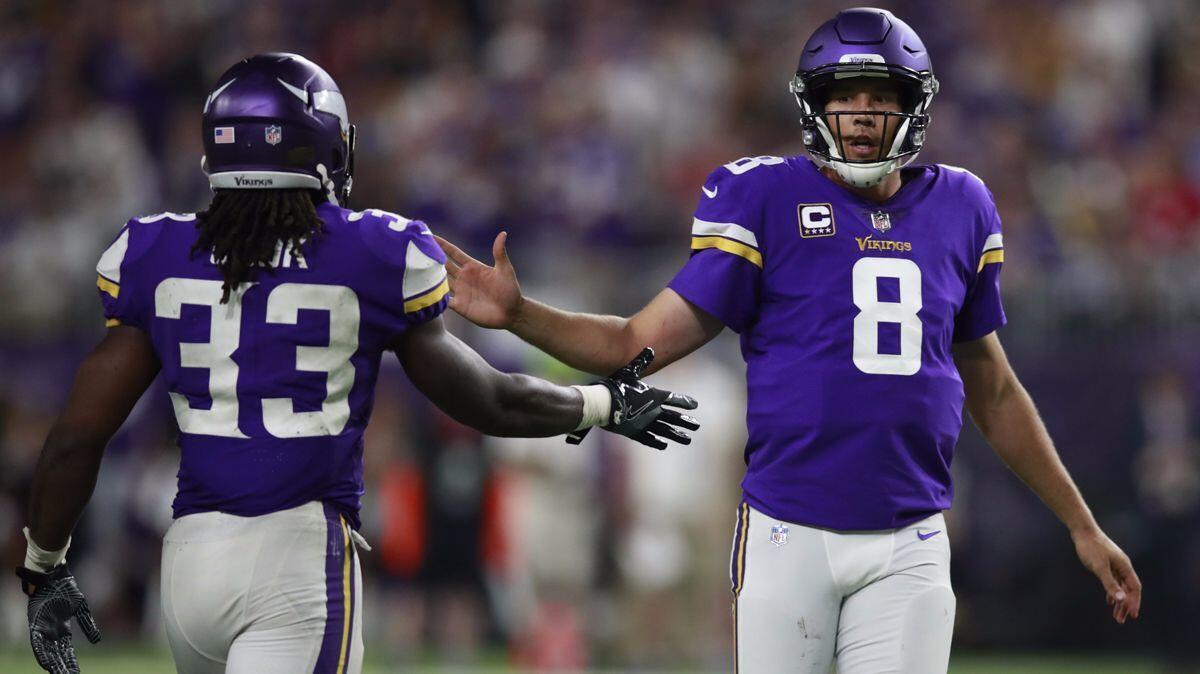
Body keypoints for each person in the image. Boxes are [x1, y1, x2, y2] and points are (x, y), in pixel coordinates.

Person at [435, 8, 1142, 673]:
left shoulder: (960, 205)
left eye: (881, 93)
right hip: (788, 531)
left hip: (911, 538)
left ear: (914, 104)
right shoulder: (764, 197)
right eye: (845, 93)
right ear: (814, 104)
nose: (863, 110)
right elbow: (631, 344)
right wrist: (522, 314)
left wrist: (1081, 524)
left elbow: (994, 386)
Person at [14, 53, 699, 674]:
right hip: (296, 560)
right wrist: (602, 404)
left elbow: (77, 436)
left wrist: (44, 567)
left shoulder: (155, 252)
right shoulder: (370, 250)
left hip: (190, 563)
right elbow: (489, 400)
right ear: (321, 148)